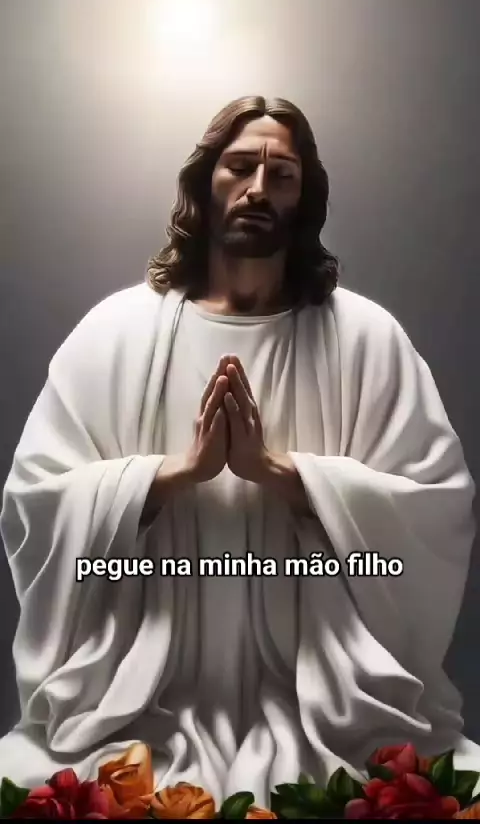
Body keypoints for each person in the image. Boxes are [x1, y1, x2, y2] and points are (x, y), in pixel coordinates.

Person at [0, 95, 479, 806]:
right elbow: (34, 502)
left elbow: (436, 506)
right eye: (239, 167)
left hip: (324, 700)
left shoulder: (367, 339)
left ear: (305, 198)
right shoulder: (114, 334)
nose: (258, 188)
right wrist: (170, 476)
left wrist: (285, 475)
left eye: (281, 174)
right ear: (205, 182)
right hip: (141, 698)